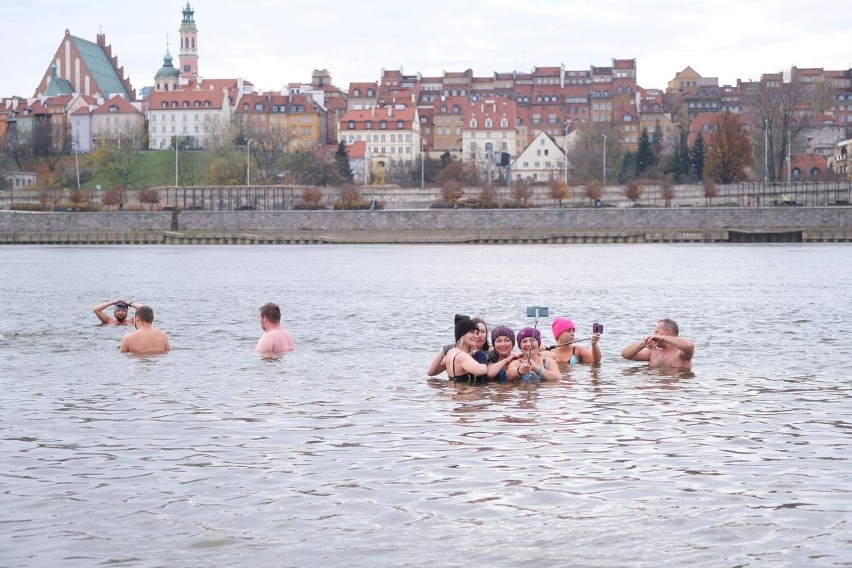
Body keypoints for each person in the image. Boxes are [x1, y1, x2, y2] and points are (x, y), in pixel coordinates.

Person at [621, 318, 694, 370]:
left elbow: (689, 346)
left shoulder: (680, 353)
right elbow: (625, 355)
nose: (654, 335)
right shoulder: (653, 352)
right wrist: (644, 344)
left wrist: (662, 338)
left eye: (656, 332)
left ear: (668, 333)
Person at [444, 315, 488, 383]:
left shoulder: (450, 352)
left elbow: (431, 372)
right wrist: (480, 354)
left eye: (476, 333)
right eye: (471, 332)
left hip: (455, 390)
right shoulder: (462, 356)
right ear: (462, 334)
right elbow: (481, 370)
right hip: (466, 392)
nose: (476, 336)